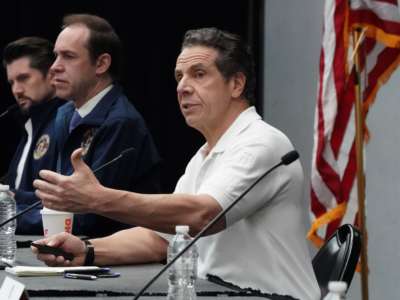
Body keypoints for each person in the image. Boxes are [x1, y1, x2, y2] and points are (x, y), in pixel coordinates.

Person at [33, 28, 320, 300]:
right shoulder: (205, 154)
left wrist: (98, 199)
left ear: (236, 84)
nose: (183, 87)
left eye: (198, 74)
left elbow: (203, 217)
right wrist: (86, 250)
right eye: (179, 76)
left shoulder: (261, 143)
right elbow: (161, 239)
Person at [47, 14, 161, 237]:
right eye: (55, 56)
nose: (54, 67)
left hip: (114, 258)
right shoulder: (64, 114)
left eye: (68, 57)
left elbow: (87, 217)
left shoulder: (121, 122)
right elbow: (51, 196)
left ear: (101, 63)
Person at [2, 37, 65, 234]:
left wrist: (6, 211)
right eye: (11, 82)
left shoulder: (65, 123)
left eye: (23, 78)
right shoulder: (30, 124)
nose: (16, 90)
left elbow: (62, 205)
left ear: (51, 75)